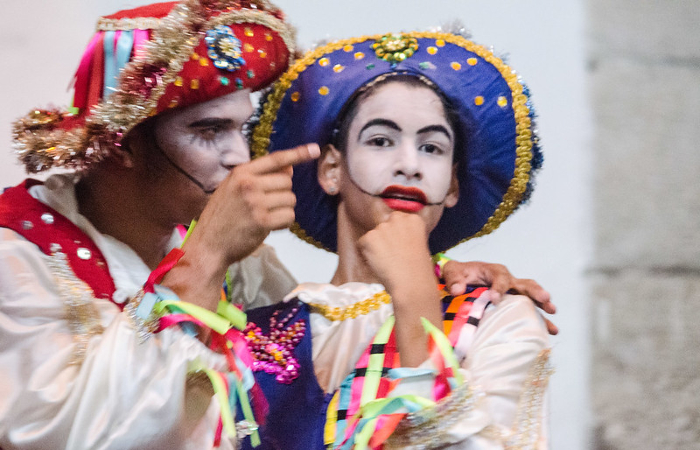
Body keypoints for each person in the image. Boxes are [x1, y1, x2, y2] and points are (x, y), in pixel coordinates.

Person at [0, 1, 553, 449]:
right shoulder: (18, 256)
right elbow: (61, 434)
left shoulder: (239, 262)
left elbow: (334, 332)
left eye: (241, 127)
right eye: (209, 131)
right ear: (124, 142)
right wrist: (203, 260)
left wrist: (431, 281)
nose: (240, 157)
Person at [239, 30, 551, 449]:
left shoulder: (498, 321)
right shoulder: (256, 330)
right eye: (381, 141)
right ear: (332, 168)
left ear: (453, 183)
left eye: (432, 148)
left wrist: (416, 299)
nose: (410, 165)